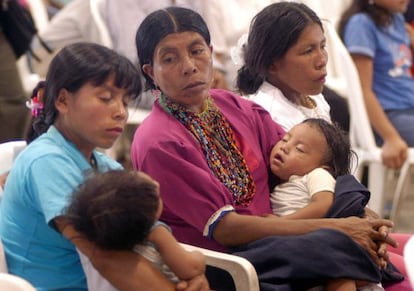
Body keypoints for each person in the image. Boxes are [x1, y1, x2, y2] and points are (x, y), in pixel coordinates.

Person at [131, 6, 405, 290]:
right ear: (151, 72)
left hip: (283, 235)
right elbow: (226, 230)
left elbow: (303, 165)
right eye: (170, 58)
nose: (189, 65)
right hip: (231, 260)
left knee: (344, 189)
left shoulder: (235, 107)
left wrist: (364, 220)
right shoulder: (158, 141)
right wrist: (338, 227)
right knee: (336, 243)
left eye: (197, 51)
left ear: (211, 53)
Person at [0, 42, 208, 290]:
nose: (121, 112)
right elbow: (104, 257)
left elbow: (151, 240)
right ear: (63, 101)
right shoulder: (46, 161)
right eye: (106, 98)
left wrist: (192, 278)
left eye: (125, 101)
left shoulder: (107, 167)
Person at [236, 2, 411, 290]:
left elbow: (333, 177)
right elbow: (284, 200)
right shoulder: (262, 112)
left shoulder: (315, 100)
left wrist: (368, 219)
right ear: (272, 64)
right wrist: (353, 225)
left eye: (322, 46)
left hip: (336, 218)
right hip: (308, 235)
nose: (322, 60)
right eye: (308, 51)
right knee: (403, 278)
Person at [65, 169, 207, 290]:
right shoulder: (157, 232)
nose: (156, 183)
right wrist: (198, 256)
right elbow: (190, 269)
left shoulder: (105, 238)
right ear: (152, 212)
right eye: (155, 195)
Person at [338, 0, 413, 170]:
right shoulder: (361, 25)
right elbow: (362, 91)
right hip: (389, 117)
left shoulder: (397, 20)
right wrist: (391, 138)